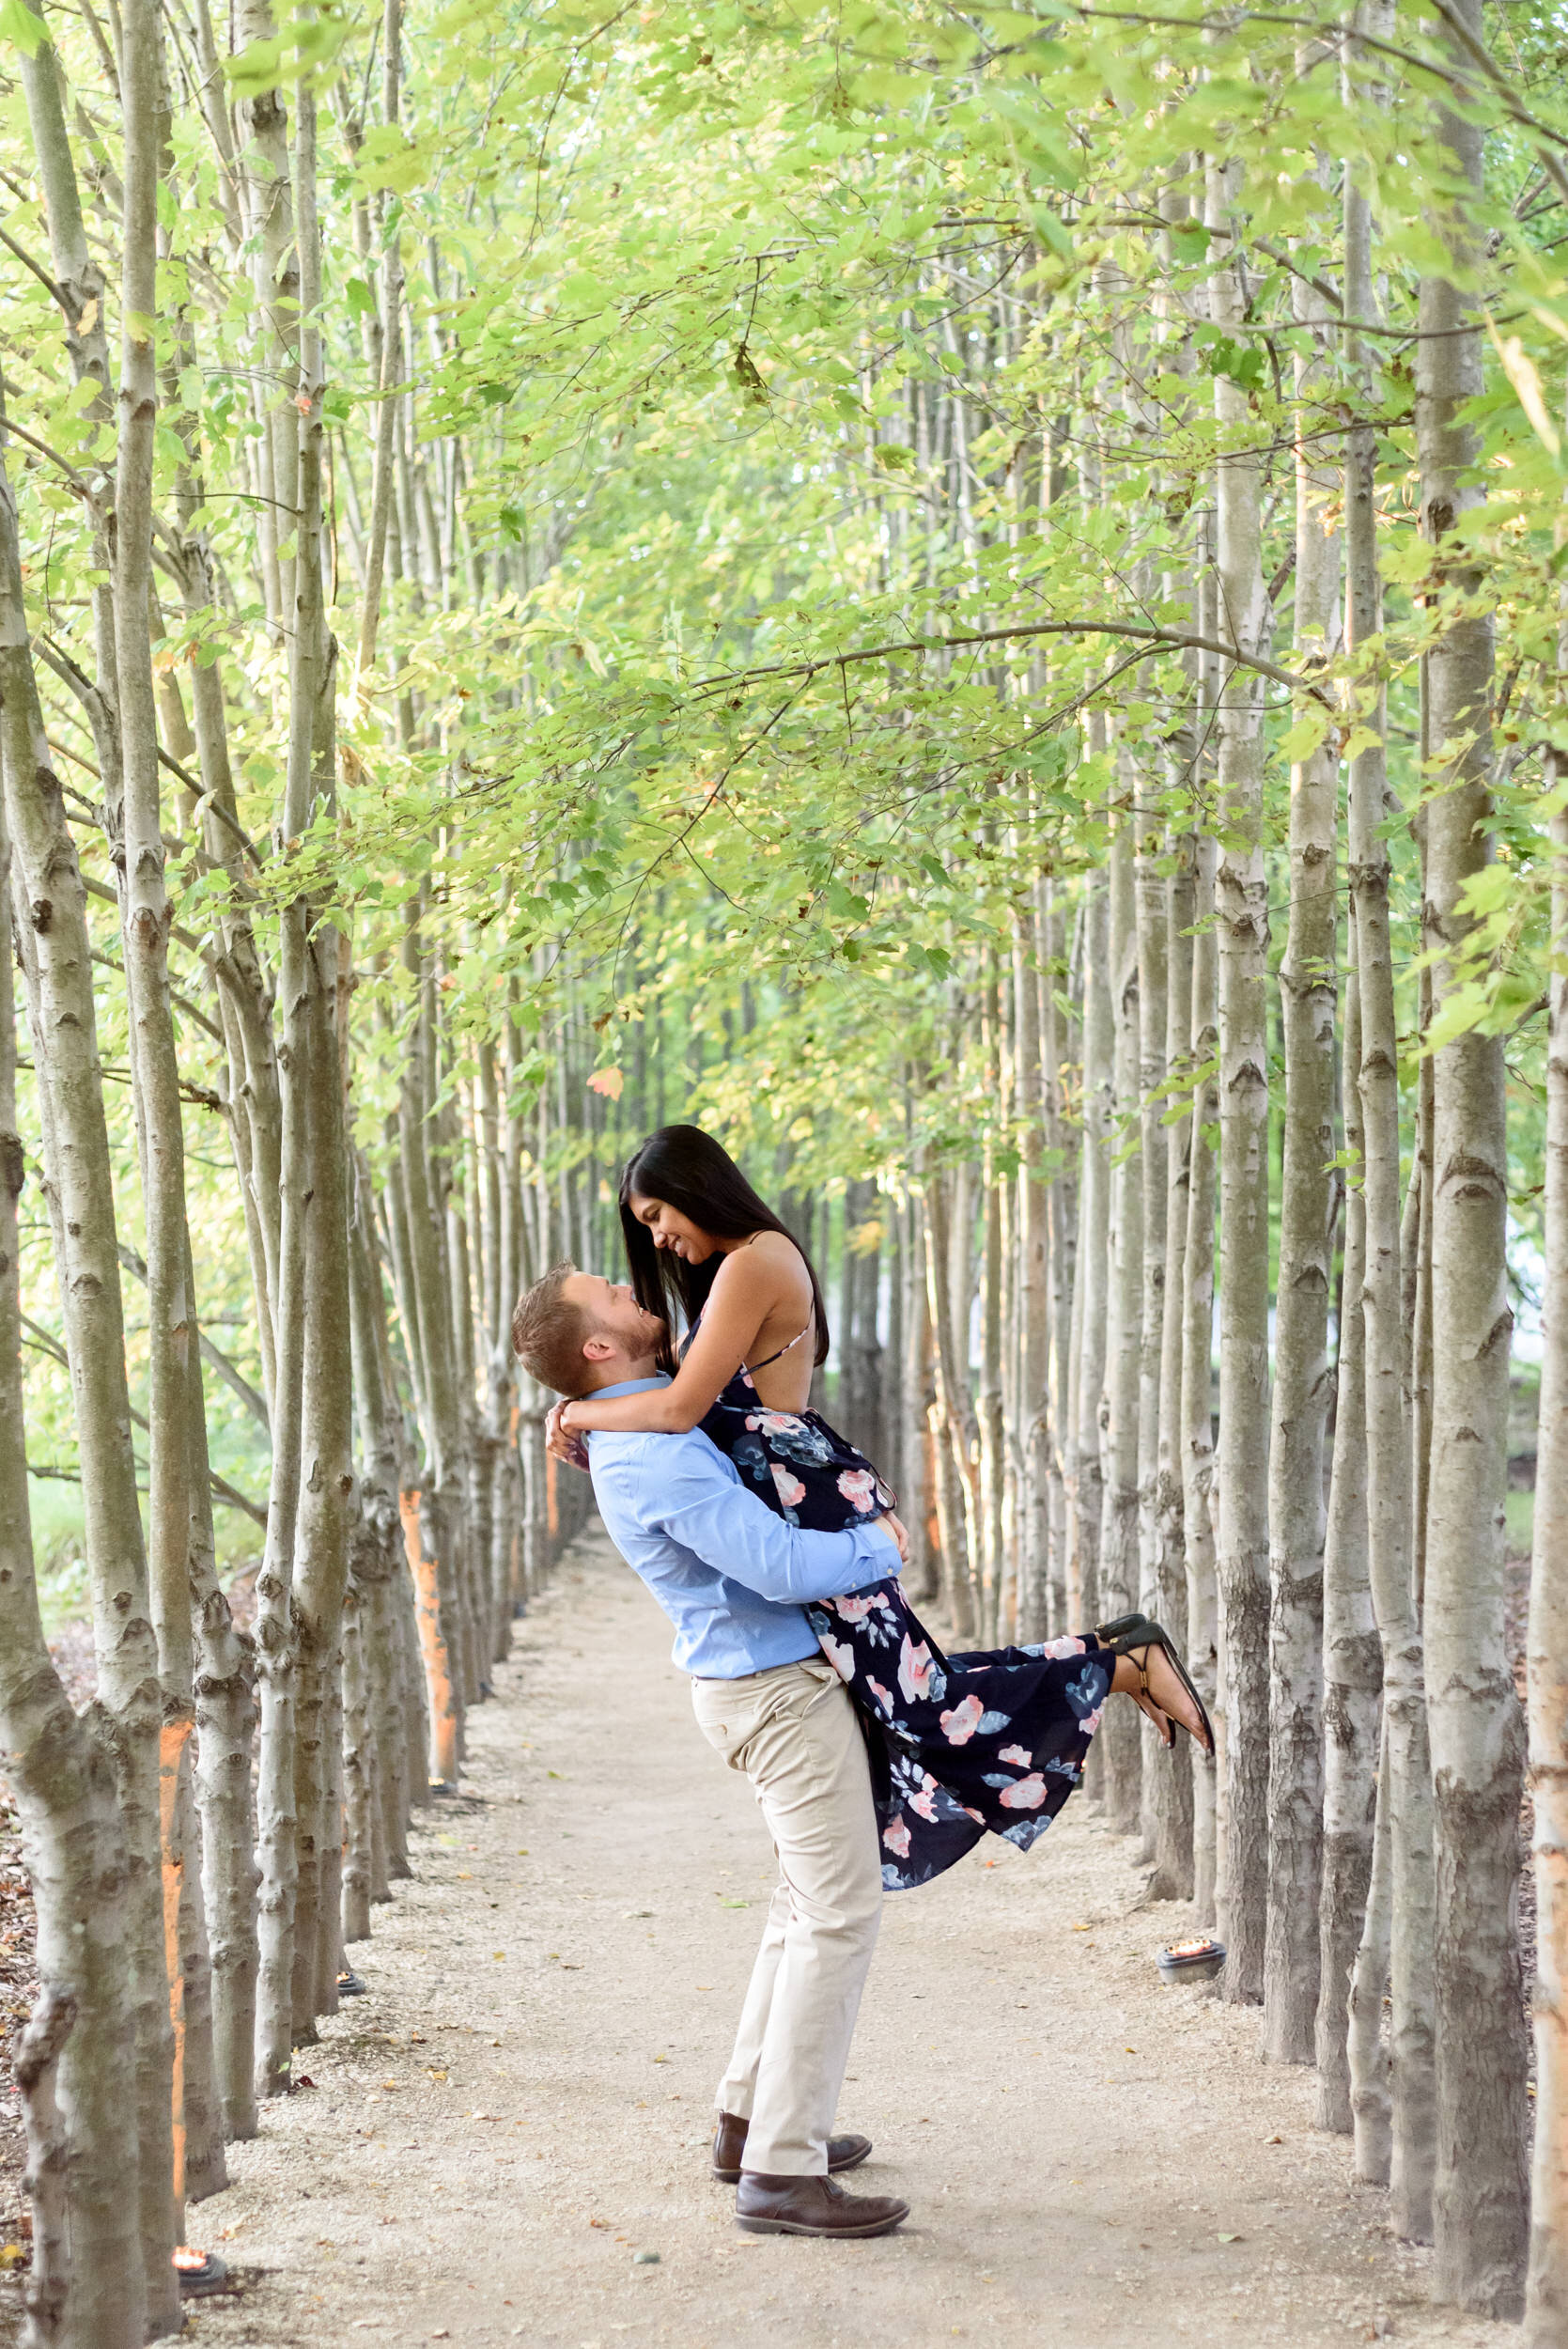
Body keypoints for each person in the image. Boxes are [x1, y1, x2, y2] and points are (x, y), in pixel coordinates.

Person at [546, 1125, 1213, 1895]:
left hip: (804, 1501)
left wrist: (577, 1416)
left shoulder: (753, 1261)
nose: (657, 1238)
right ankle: (1115, 1653)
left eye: (659, 1213)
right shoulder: (742, 1265)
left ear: (697, 1187)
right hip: (795, 1496)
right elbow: (675, 1399)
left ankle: (1123, 1664)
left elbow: (680, 1407)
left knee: (923, 1703)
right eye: (646, 1226)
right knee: (915, 1689)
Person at [512, 1264, 913, 2240]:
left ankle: (750, 2122)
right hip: (777, 1693)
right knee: (837, 1917)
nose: (630, 1283)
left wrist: (576, 1412)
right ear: (598, 1346)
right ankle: (783, 2169)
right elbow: (775, 1566)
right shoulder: (654, 1458)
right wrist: (883, 1544)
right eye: (608, 1289)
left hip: (758, 1686)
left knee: (800, 1907)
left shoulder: (638, 1420)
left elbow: (692, 1388)